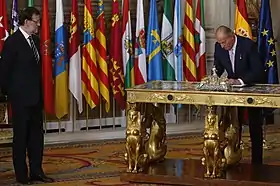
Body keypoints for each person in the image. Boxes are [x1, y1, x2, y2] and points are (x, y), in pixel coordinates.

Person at [0, 7, 54, 184]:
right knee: (21, 138)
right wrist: (11, 94)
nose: (38, 25)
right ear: (26, 22)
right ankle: (22, 175)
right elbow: (4, 72)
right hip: (20, 99)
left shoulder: (37, 41)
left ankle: (37, 171)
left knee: (36, 137)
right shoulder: (12, 42)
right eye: (36, 21)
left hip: (36, 98)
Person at [214, 25, 265, 165]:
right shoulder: (219, 47)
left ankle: (257, 162)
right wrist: (212, 79)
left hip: (251, 89)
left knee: (255, 125)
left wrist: (239, 81)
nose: (222, 45)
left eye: (224, 42)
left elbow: (258, 71)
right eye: (220, 42)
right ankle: (233, 156)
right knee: (233, 125)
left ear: (232, 37)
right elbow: (217, 68)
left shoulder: (248, 45)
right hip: (234, 92)